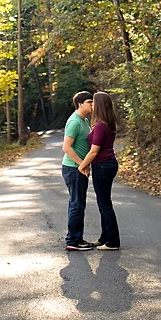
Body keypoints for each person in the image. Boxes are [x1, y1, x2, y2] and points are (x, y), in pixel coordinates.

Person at [78, 91, 120, 250]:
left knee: (104, 204)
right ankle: (104, 238)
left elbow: (94, 151)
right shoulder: (108, 122)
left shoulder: (101, 125)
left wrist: (81, 165)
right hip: (108, 164)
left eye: (94, 102)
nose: (92, 105)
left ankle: (113, 242)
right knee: (104, 202)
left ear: (100, 105)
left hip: (102, 165)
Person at [61, 91, 95, 251]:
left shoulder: (84, 120)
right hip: (74, 168)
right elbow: (66, 147)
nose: (92, 105)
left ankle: (77, 238)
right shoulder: (74, 121)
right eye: (89, 102)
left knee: (78, 203)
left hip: (79, 168)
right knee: (76, 204)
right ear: (80, 104)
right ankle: (73, 241)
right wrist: (82, 165)